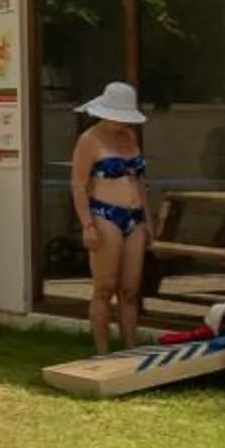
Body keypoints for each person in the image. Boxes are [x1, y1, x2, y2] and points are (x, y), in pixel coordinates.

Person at [70, 79, 150, 355]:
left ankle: (131, 346)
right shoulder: (89, 141)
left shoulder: (130, 138)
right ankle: (102, 351)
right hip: (105, 214)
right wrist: (87, 225)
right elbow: (78, 184)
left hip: (134, 215)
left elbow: (139, 181)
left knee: (130, 289)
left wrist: (147, 220)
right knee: (104, 286)